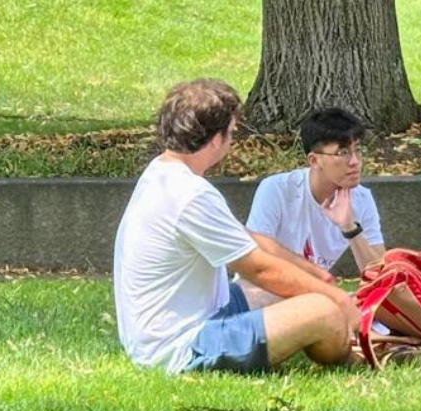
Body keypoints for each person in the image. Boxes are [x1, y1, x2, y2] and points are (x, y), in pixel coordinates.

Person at [113, 79, 354, 374]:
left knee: (295, 291)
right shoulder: (190, 195)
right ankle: (358, 351)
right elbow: (259, 268)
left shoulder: (162, 173)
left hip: (194, 322)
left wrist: (317, 277)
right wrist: (338, 299)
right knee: (323, 311)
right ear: (216, 139)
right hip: (183, 347)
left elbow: (250, 241)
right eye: (231, 133)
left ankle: (350, 327)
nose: (231, 140)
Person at [239, 109, 421, 348]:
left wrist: (349, 227)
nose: (355, 161)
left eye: (358, 150)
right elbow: (259, 251)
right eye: (343, 153)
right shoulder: (277, 189)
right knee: (321, 306)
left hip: (318, 295)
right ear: (314, 160)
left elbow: (379, 274)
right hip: (264, 288)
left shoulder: (361, 199)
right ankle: (371, 337)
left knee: (370, 307)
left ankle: (398, 339)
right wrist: (316, 281)